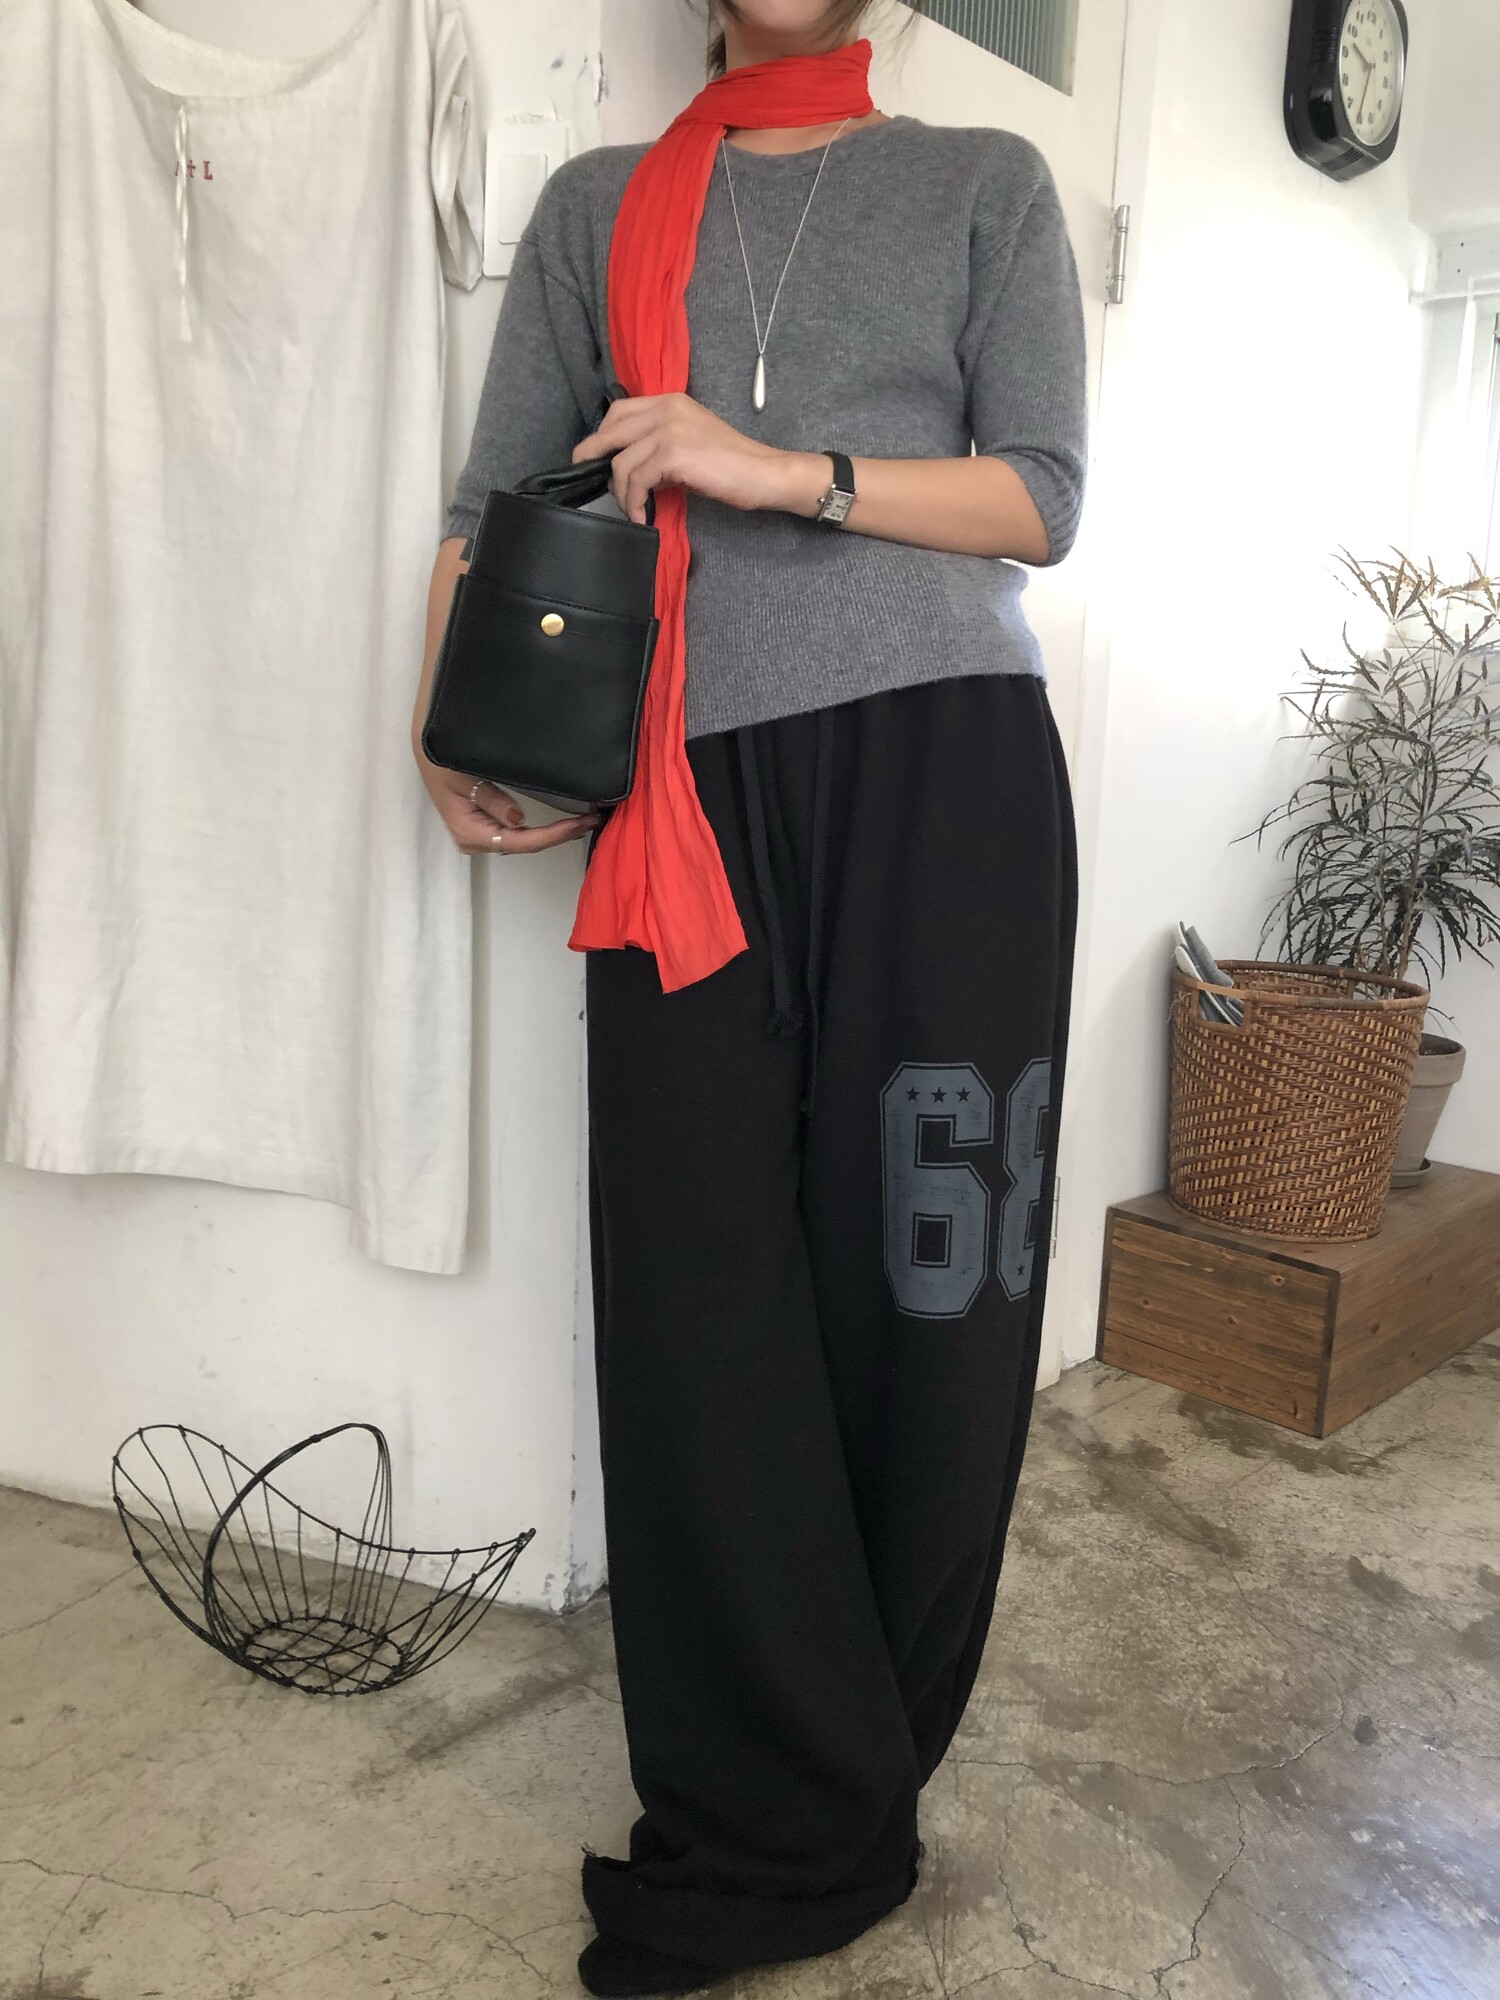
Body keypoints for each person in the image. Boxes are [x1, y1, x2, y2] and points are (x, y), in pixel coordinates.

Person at [410, 3, 1088, 1993]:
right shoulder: (594, 207)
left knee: (933, 1281)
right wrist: (446, 723)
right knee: (695, 1292)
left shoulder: (985, 184)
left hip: (946, 775)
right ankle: (771, 1805)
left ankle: (868, 1754)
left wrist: (778, 470)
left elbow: (1042, 495)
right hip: (680, 799)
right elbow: (489, 505)